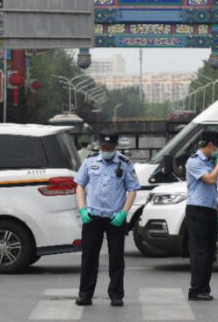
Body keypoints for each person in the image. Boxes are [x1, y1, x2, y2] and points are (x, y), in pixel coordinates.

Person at [74, 129, 140, 307]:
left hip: (114, 217)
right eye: (103, 146)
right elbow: (79, 185)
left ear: (115, 146)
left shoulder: (125, 164)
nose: (106, 149)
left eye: (109, 147)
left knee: (116, 258)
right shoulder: (90, 161)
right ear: (99, 145)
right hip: (92, 216)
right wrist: (82, 209)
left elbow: (133, 189)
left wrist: (124, 213)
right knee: (89, 257)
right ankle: (85, 294)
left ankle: (116, 295)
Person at [185, 130, 218, 301]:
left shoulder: (209, 162)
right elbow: (210, 180)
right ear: (210, 145)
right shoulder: (194, 161)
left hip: (209, 209)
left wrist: (215, 211)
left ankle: (204, 288)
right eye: (217, 146)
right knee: (199, 252)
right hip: (197, 210)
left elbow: (212, 190)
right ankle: (195, 290)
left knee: (209, 251)